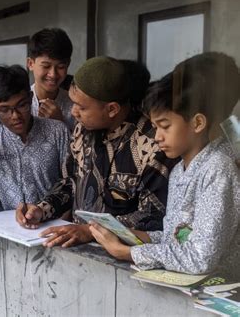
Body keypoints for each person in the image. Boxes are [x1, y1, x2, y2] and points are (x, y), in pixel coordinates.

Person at [90, 52, 240, 278]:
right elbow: (177, 237)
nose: (156, 136)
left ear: (198, 122)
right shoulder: (180, 168)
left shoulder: (219, 167)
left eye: (164, 126)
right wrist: (135, 236)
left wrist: (129, 253)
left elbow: (199, 257)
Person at [16, 56, 174, 247]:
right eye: (73, 103)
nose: (73, 112)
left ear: (112, 109)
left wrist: (91, 231)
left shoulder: (153, 144)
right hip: (76, 247)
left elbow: (152, 216)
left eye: (82, 107)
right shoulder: (82, 129)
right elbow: (70, 182)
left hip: (124, 259)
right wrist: (42, 210)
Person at [0, 65, 70, 213]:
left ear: (30, 97)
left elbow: (71, 186)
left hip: (55, 227)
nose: (15, 116)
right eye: (4, 110)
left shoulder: (57, 131)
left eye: (21, 105)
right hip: (13, 229)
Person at [27, 28, 74, 129]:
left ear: (68, 64)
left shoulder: (76, 107)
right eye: (46, 66)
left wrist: (60, 123)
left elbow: (85, 143)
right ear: (31, 64)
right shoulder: (19, 105)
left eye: (61, 67)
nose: (53, 74)